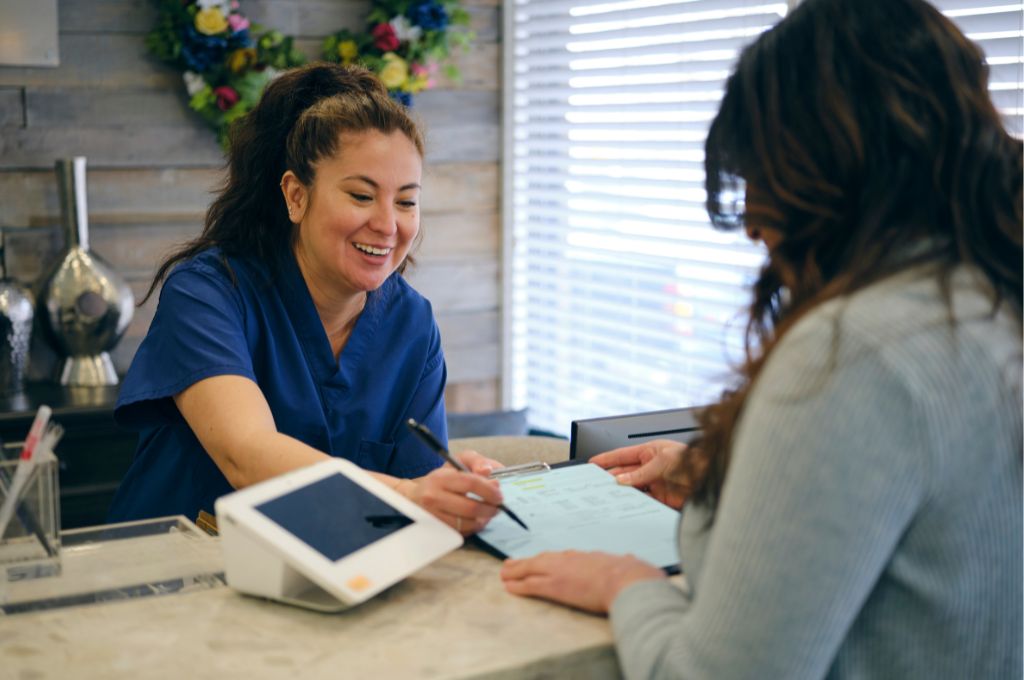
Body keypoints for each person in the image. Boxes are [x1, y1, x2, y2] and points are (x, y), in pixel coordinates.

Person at [500, 0, 1023, 677]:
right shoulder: (989, 303)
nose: (751, 223)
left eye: (760, 177)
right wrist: (734, 485)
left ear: (825, 169)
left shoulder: (853, 352)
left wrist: (628, 585)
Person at [108, 63, 503, 535]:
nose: (387, 224)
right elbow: (246, 454)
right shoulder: (209, 293)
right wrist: (407, 495)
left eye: (405, 201)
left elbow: (419, 490)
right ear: (296, 195)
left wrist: (453, 490)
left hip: (334, 577)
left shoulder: (412, 324)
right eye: (361, 195)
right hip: (173, 577)